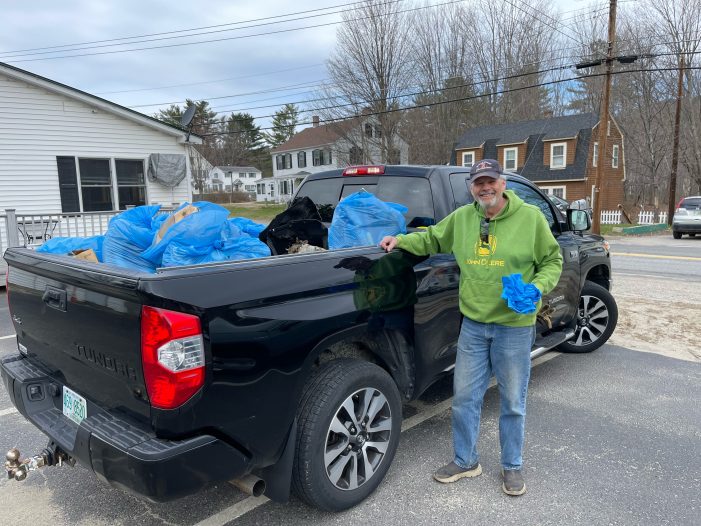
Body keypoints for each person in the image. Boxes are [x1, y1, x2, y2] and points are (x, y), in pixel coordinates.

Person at [379, 159, 562, 496]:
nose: (484, 187)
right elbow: (432, 239)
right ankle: (466, 460)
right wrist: (400, 241)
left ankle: (512, 466)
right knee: (464, 398)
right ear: (471, 187)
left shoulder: (530, 219)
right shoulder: (464, 219)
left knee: (512, 401)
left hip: (514, 326)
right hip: (474, 327)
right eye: (478, 182)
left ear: (502, 183)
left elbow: (552, 260)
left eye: (490, 180)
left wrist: (536, 287)